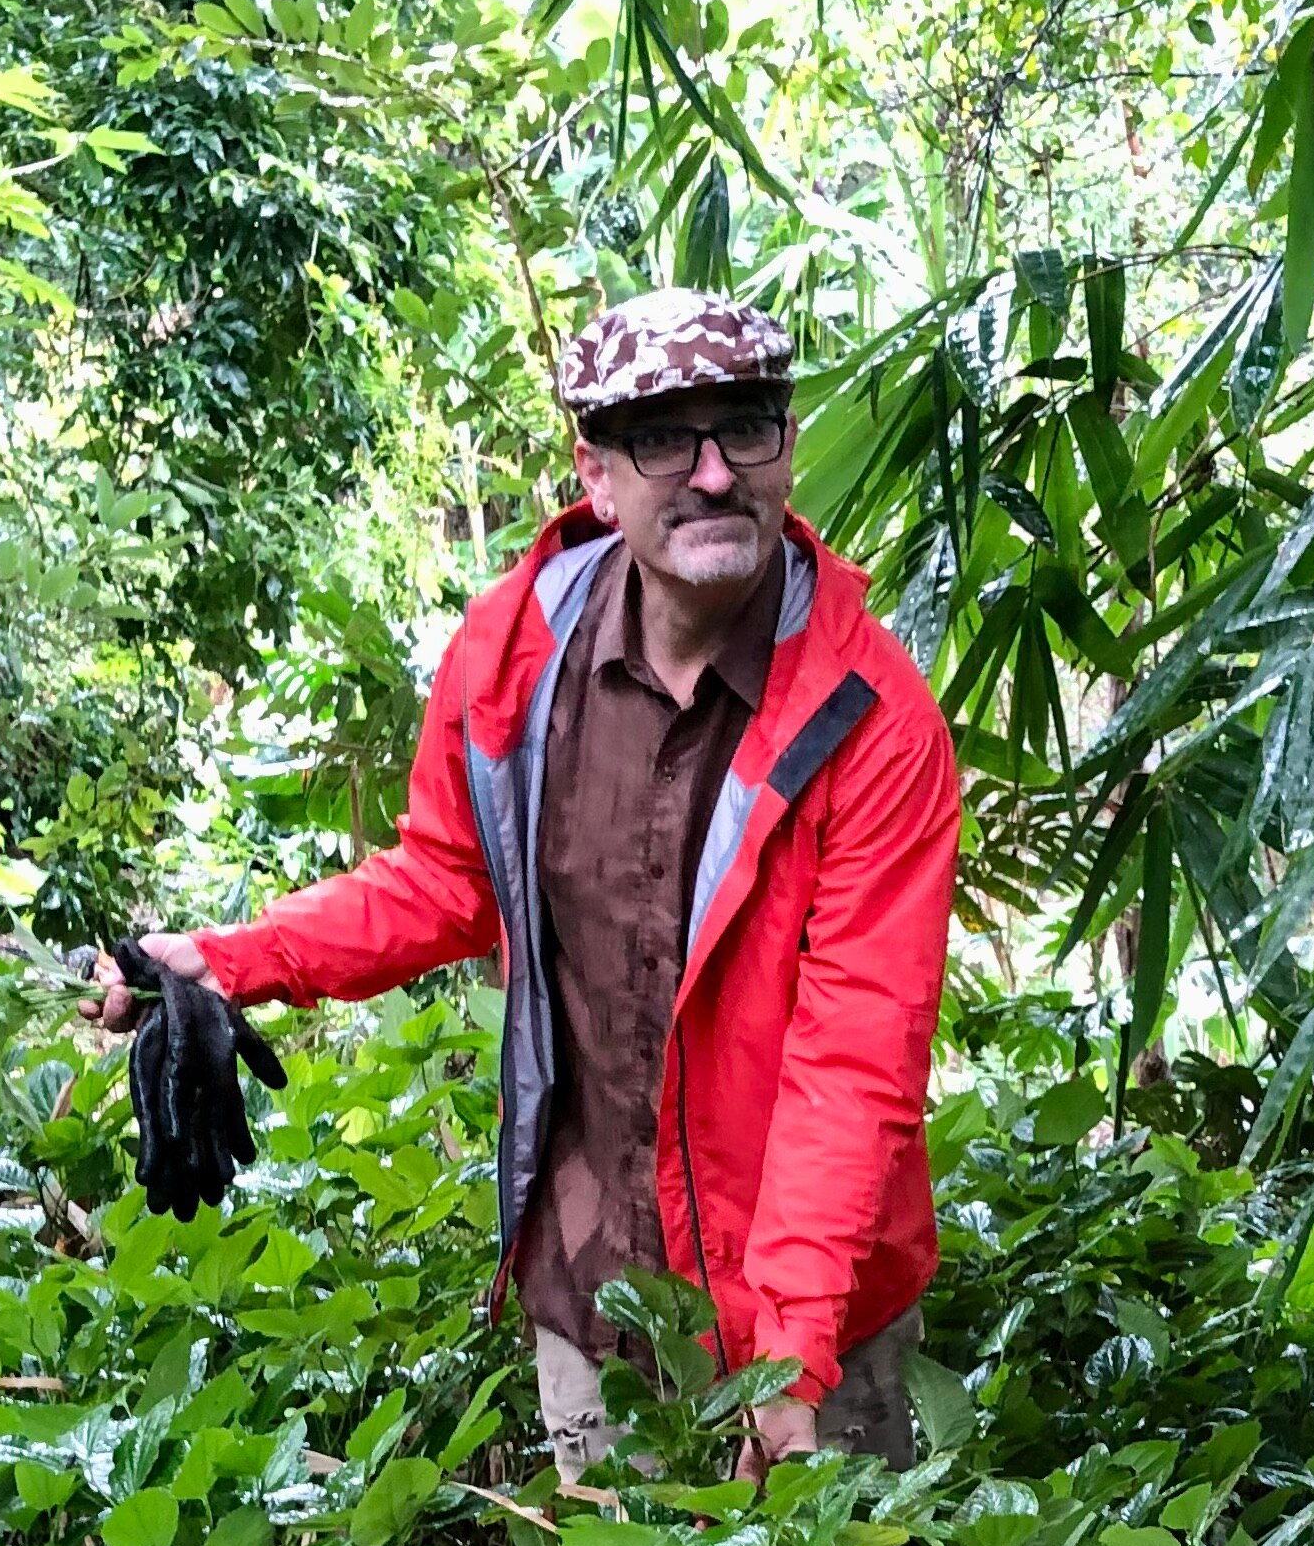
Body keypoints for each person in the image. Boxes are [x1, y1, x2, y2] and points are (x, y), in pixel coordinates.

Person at [95, 288, 961, 1480]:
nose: (713, 475)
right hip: (593, 1283)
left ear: (787, 448)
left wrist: (788, 1361)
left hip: (813, 1320)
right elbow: (445, 882)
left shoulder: (871, 719)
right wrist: (231, 960)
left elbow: (855, 1060)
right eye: (664, 439)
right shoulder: (518, 645)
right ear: (597, 473)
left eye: (744, 429)